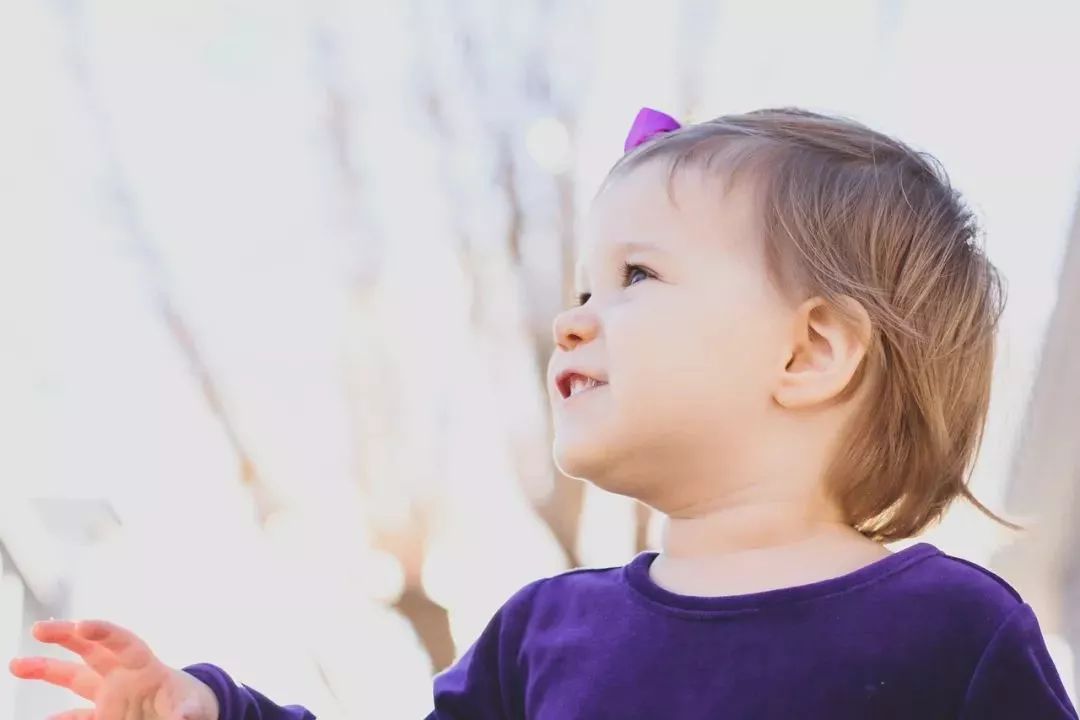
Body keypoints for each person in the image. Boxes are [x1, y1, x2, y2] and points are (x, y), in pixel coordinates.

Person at [10, 106, 1079, 719]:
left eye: (636, 277)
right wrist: (206, 711)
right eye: (579, 288)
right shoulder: (543, 634)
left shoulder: (956, 636)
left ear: (807, 351)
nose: (572, 323)